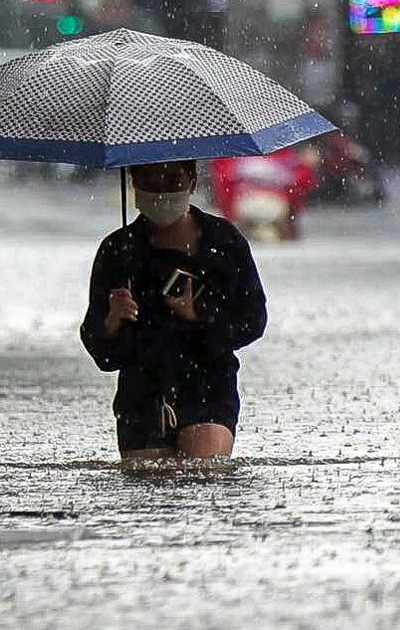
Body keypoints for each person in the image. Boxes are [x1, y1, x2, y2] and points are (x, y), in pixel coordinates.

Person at [80, 160, 267, 460]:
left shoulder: (224, 241)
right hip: (142, 393)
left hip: (207, 385)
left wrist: (199, 314)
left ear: (192, 182)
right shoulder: (118, 250)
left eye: (172, 180)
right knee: (149, 490)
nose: (161, 190)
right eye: (150, 180)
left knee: (206, 476)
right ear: (134, 185)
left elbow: (252, 320)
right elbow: (103, 353)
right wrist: (113, 319)